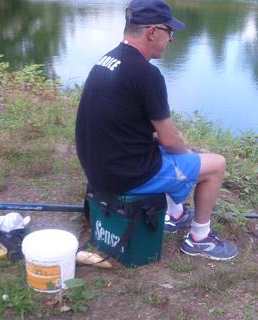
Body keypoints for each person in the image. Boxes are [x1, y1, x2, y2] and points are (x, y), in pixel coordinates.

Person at [75, 0, 237, 261]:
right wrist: (187, 152)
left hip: (96, 170)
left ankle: (174, 214)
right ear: (152, 32)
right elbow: (171, 140)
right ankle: (199, 238)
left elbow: (129, 123)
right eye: (169, 32)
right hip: (124, 175)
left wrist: (177, 149)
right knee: (215, 165)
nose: (171, 39)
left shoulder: (106, 59)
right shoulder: (146, 74)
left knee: (171, 151)